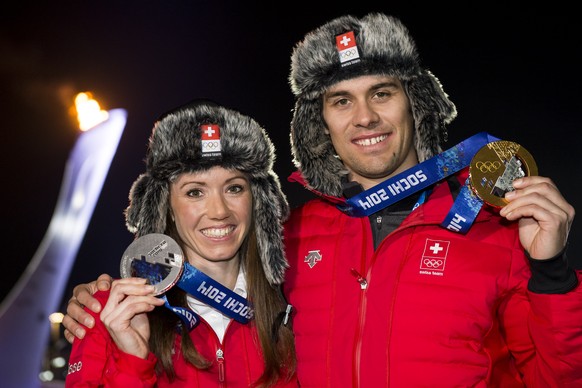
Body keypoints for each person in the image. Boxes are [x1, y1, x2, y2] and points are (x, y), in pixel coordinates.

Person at [63, 13, 582, 387]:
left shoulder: (496, 228)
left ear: (415, 103)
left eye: (382, 93)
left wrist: (553, 273)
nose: (365, 118)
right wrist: (102, 296)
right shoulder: (289, 236)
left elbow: (558, 378)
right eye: (341, 101)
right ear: (321, 124)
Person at [64, 100, 297, 387]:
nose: (219, 211)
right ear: (167, 205)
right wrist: (132, 362)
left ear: (256, 199)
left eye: (234, 188)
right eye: (195, 192)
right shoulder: (108, 311)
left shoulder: (290, 302)